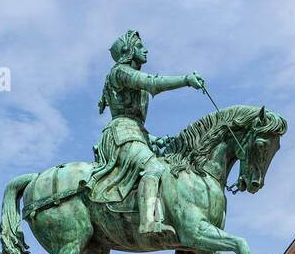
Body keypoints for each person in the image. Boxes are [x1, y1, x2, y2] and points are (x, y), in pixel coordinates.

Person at [89, 30, 207, 242]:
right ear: (129, 51)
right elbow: (152, 84)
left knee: (171, 170)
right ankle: (148, 222)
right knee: (153, 168)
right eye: (140, 46)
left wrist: (153, 139)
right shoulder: (120, 72)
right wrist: (186, 80)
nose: (145, 50)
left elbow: (135, 120)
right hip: (121, 135)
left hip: (136, 133)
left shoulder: (129, 77)